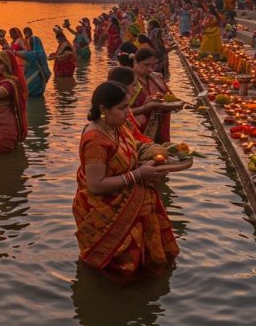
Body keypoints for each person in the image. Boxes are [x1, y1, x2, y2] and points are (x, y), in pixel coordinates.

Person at [72, 82, 189, 275]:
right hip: (104, 212)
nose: (129, 112)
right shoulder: (95, 140)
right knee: (115, 271)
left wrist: (159, 152)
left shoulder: (117, 126)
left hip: (130, 201)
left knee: (142, 268)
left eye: (128, 106)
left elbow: (133, 148)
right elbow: (95, 185)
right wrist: (138, 174)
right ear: (103, 109)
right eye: (122, 108)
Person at [130, 47, 178, 144]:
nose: (150, 69)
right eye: (146, 65)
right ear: (135, 62)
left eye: (153, 66)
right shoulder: (127, 80)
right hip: (135, 132)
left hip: (159, 129)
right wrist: (146, 107)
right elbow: (119, 111)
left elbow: (171, 98)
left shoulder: (156, 78)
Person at [16, 29, 51, 96]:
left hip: (34, 80)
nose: (28, 45)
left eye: (29, 44)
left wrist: (13, 52)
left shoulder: (34, 54)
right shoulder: (41, 54)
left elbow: (24, 54)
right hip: (39, 80)